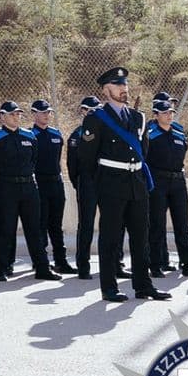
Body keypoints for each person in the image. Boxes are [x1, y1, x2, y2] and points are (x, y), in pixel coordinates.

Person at [80, 67, 169, 303]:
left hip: (136, 184)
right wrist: (96, 188)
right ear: (106, 89)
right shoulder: (95, 118)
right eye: (118, 86)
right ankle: (109, 288)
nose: (124, 89)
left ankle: (143, 285)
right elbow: (86, 159)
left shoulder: (137, 117)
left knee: (141, 237)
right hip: (110, 185)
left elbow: (144, 150)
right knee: (110, 238)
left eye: (125, 85)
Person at [0, 102, 58, 281]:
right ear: (2, 116)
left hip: (29, 187)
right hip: (7, 187)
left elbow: (33, 160)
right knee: (6, 229)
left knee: (34, 229)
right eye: (12, 114)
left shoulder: (29, 136)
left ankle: (42, 268)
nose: (16, 117)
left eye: (18, 114)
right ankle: (0, 269)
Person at [145, 99, 188, 278]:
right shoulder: (150, 135)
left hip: (177, 182)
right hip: (158, 183)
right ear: (155, 115)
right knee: (157, 225)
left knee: (182, 226)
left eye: (170, 112)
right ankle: (155, 265)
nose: (169, 115)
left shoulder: (178, 134)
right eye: (164, 113)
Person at [29, 99, 73, 275]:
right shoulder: (30, 135)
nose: (46, 115)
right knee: (41, 224)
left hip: (56, 182)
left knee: (56, 225)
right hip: (40, 183)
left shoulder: (56, 134)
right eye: (42, 112)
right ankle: (41, 261)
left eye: (48, 112)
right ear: (34, 114)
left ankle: (61, 261)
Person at [65, 95, 101, 279]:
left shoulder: (105, 131)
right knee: (86, 224)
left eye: (96, 110)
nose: (93, 113)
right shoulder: (76, 135)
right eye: (90, 110)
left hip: (105, 180)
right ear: (83, 111)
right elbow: (72, 166)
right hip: (87, 182)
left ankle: (115, 264)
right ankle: (83, 265)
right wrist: (79, 184)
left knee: (113, 224)